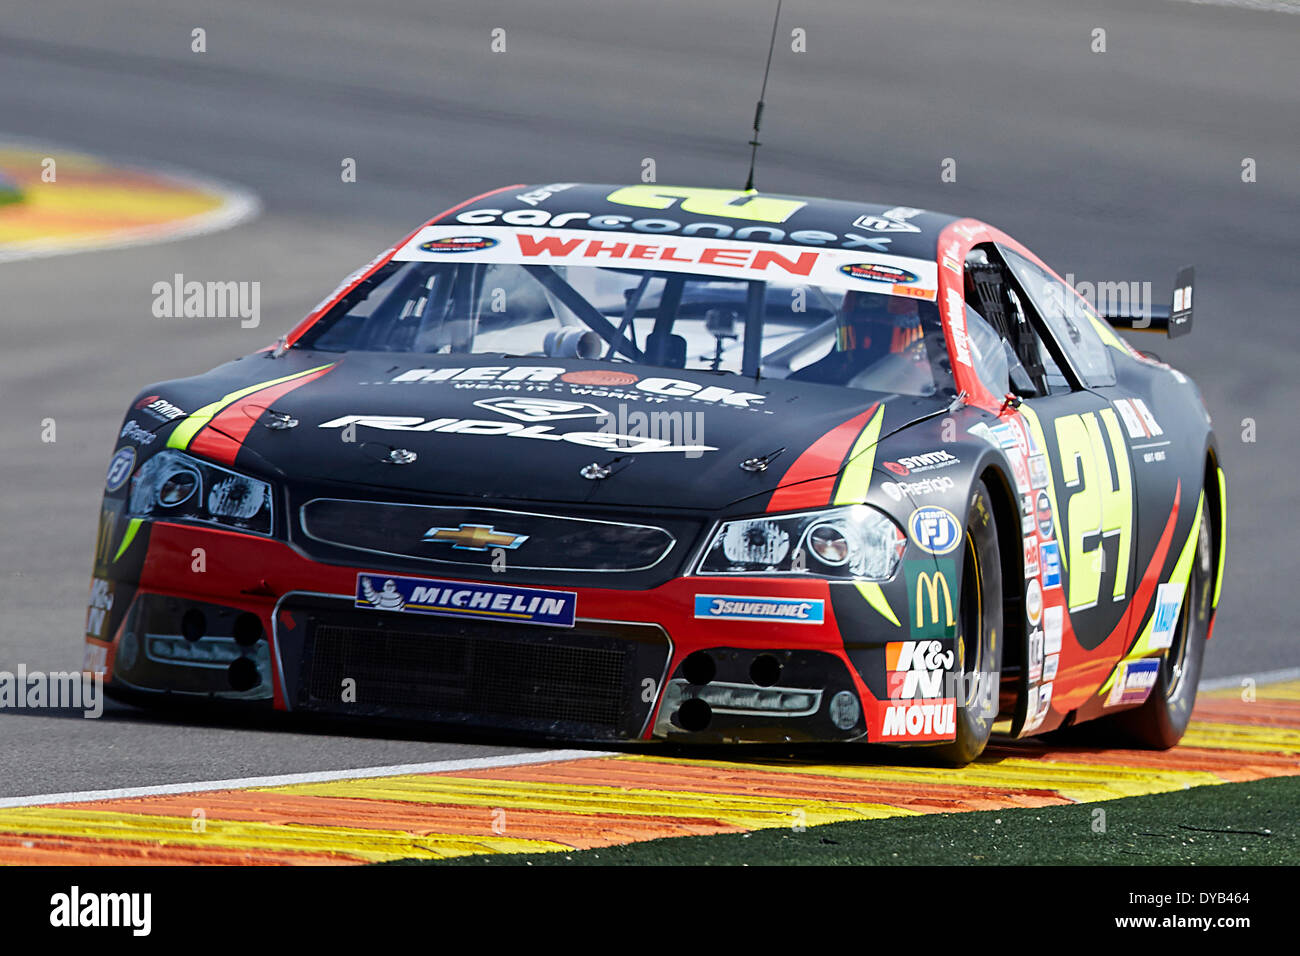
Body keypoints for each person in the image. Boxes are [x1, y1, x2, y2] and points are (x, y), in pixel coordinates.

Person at [790, 290, 924, 386]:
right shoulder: (810, 377)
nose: (869, 345)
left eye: (880, 333)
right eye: (857, 328)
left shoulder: (923, 386)